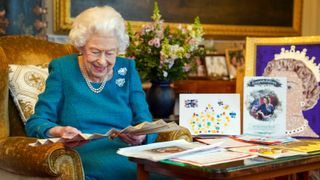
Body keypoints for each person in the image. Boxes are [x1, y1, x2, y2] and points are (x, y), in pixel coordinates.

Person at [25, 6, 157, 179]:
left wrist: (141, 137)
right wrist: (59, 131)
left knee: (172, 171)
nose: (102, 61)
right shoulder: (63, 69)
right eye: (95, 52)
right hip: (86, 156)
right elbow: (36, 122)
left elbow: (146, 121)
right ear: (81, 46)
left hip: (129, 153)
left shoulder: (128, 69)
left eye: (110, 53)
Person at [264, 57, 319, 137]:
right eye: (272, 86)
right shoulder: (259, 134)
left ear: (306, 94)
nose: (277, 94)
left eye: (288, 87)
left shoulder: (313, 140)